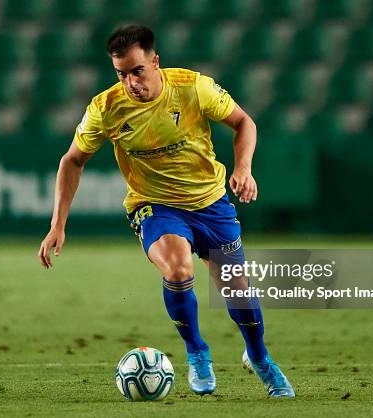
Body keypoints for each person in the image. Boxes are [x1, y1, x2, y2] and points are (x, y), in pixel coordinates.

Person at [38, 25, 295, 398]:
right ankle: (197, 352)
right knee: (178, 268)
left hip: (210, 202)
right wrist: (56, 225)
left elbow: (244, 123)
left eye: (137, 71)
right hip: (154, 205)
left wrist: (243, 168)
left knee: (237, 289)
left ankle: (259, 357)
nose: (130, 82)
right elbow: (72, 161)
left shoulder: (193, 88)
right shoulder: (105, 109)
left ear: (155, 62)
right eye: (121, 74)